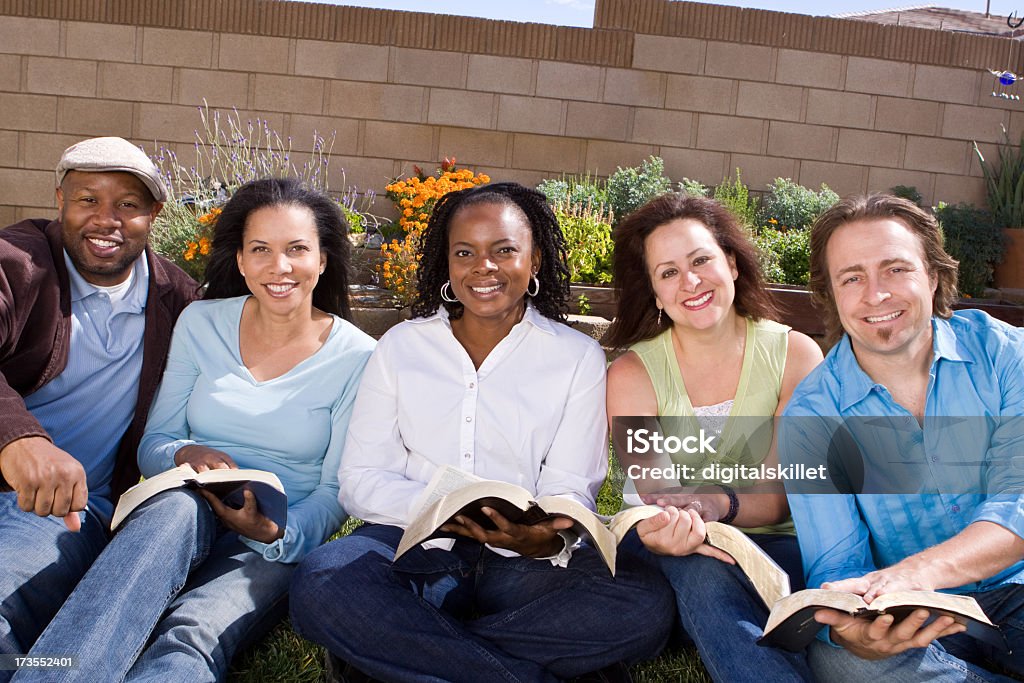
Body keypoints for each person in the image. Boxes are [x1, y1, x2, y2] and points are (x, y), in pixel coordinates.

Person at [289, 181, 675, 682]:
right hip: (412, 544)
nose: (483, 267)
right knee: (323, 583)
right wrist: (443, 510)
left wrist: (541, 540)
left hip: (523, 563)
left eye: (504, 250)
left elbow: (570, 487)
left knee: (644, 605)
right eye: (465, 252)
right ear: (447, 264)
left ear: (534, 261)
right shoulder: (402, 347)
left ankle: (401, 650)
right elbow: (361, 477)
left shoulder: (575, 358)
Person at [16, 178, 375, 682]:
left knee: (190, 632)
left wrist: (278, 532)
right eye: (261, 250)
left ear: (323, 259)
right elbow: (154, 444)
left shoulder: (359, 357)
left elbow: (337, 488)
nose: (280, 266)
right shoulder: (200, 322)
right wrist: (185, 454)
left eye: (297, 249)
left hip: (274, 537)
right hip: (183, 509)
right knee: (149, 552)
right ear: (242, 261)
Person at [779, 194, 1024, 682]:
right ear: (830, 293)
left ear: (932, 276)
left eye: (895, 269)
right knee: (841, 661)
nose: (875, 295)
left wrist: (917, 572)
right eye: (852, 278)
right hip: (918, 619)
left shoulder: (1004, 353)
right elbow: (837, 563)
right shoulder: (810, 416)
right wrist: (857, 632)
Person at [603, 193, 822, 682]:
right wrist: (687, 523)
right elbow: (659, 492)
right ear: (655, 293)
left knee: (727, 575)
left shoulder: (796, 356)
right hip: (663, 541)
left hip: (775, 546)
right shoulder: (632, 373)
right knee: (700, 567)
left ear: (732, 263)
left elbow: (778, 495)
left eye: (701, 260)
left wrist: (717, 506)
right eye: (669, 272)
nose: (691, 282)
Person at [0, 137, 197, 677]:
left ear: (154, 214)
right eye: (88, 199)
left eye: (127, 205)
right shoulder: (16, 263)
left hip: (59, 511)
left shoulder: (179, 302)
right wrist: (19, 438)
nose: (105, 220)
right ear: (59, 198)